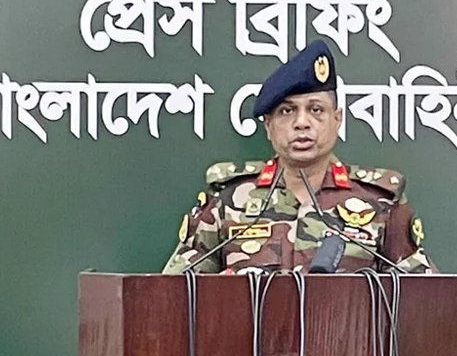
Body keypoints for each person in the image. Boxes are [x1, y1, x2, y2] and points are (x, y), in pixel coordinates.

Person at [162, 40, 436, 275]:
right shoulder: (228, 199)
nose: (302, 123)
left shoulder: (380, 202)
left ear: (337, 119)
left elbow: (424, 295)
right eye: (287, 111)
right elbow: (174, 292)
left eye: (316, 110)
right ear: (268, 126)